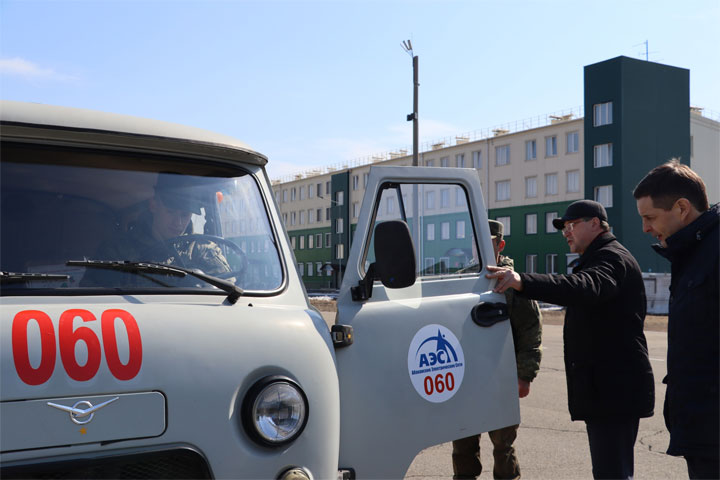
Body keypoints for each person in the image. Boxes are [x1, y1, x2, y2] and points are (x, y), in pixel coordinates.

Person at [486, 200, 655, 480]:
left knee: (612, 473)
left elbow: (584, 287)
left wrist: (522, 281)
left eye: (572, 225)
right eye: (564, 227)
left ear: (595, 224)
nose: (566, 232)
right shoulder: (597, 258)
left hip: (615, 391)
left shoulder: (611, 258)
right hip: (607, 388)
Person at [633, 159, 719, 479]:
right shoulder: (691, 253)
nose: (645, 228)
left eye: (650, 217)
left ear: (682, 208)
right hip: (701, 429)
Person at [452, 220, 542, 480]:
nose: (478, 247)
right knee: (462, 444)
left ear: (500, 245)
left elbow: (530, 332)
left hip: (501, 378)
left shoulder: (513, 284)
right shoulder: (462, 280)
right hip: (467, 379)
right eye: (474, 241)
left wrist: (525, 376)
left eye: (486, 242)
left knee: (503, 446)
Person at [82, 173, 230, 286]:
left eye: (184, 215)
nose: (178, 222)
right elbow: (92, 296)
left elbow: (228, 290)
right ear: (154, 205)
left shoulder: (203, 249)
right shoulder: (117, 250)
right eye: (171, 212)